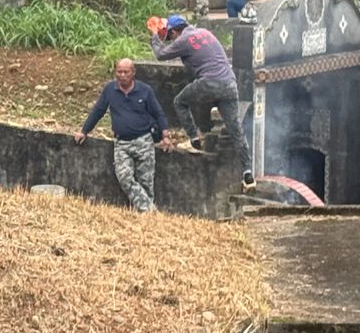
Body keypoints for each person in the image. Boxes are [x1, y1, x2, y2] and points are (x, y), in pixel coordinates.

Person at [151, 14, 255, 192]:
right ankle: (248, 172)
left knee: (179, 102)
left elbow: (161, 55)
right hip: (230, 83)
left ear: (176, 31)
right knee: (235, 130)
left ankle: (194, 137)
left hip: (209, 82)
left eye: (170, 36)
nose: (171, 40)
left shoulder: (183, 39)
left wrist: (154, 36)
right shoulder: (205, 32)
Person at [74, 58, 173, 212]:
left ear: (133, 73)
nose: (122, 75)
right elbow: (98, 111)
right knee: (124, 178)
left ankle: (145, 219)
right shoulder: (109, 90)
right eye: (119, 72)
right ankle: (151, 211)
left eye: (126, 72)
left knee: (146, 181)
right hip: (122, 143)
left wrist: (166, 135)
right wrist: (84, 130)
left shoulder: (145, 90)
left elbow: (158, 113)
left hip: (143, 141)